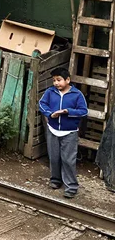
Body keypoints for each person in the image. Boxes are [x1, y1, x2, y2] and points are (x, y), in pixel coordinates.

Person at [39, 66, 89, 199]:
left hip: (69, 132)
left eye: (59, 80)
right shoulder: (50, 92)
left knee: (68, 160)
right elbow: (42, 104)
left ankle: (71, 186)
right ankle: (55, 180)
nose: (56, 83)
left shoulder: (77, 94)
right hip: (53, 129)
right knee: (54, 157)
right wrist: (50, 114)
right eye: (54, 80)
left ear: (67, 80)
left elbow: (83, 111)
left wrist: (67, 111)